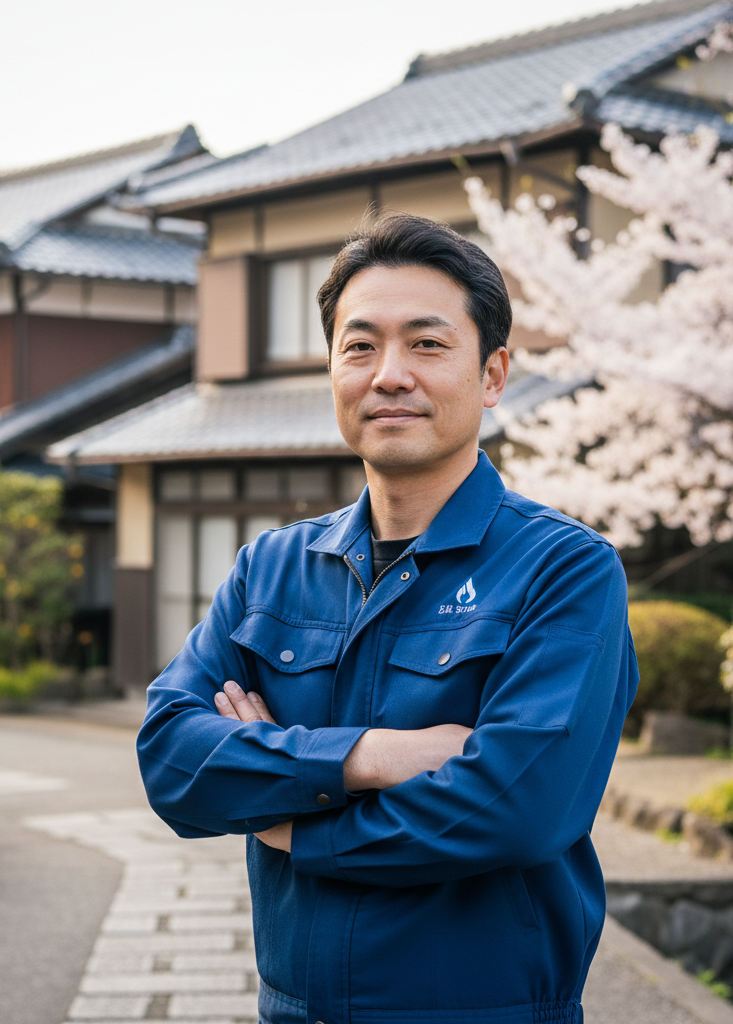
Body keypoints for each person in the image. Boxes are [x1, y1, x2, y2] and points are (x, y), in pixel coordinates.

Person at [137, 213, 637, 1024]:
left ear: (493, 374)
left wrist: (294, 827)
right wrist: (370, 758)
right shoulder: (273, 569)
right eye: (359, 346)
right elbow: (172, 760)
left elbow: (517, 807)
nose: (389, 375)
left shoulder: (563, 569)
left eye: (427, 344)